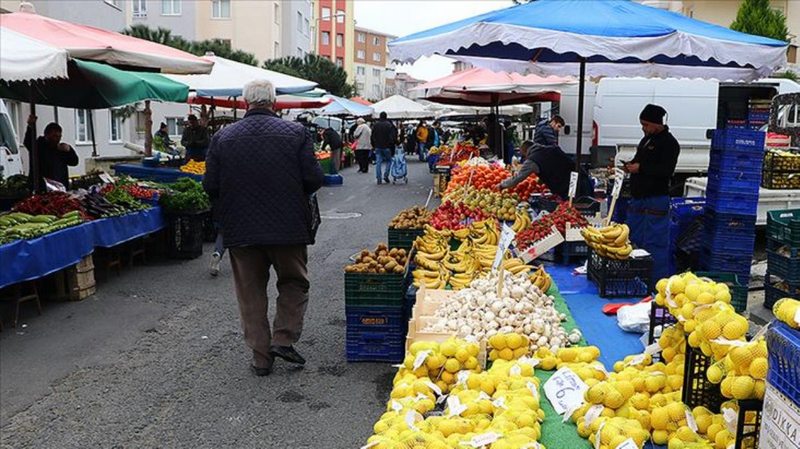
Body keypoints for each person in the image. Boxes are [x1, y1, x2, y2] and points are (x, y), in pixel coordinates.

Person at [203, 79, 324, 376]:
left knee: (250, 292)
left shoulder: (223, 137)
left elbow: (210, 185)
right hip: (288, 227)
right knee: (294, 282)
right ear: (274, 102)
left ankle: (260, 357)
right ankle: (283, 338)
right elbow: (313, 179)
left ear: (246, 103)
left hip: (241, 229)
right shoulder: (297, 133)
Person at [623, 104, 680, 282]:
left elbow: (666, 170)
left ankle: (655, 283)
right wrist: (630, 165)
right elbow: (639, 160)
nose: (644, 128)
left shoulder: (670, 143)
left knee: (656, 243)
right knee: (634, 239)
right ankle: (634, 277)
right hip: (639, 199)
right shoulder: (646, 140)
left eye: (646, 125)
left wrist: (641, 168)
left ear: (657, 124)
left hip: (656, 199)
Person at [23, 116, 78, 190]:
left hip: (60, 187)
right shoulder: (38, 146)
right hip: (41, 187)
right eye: (54, 136)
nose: (57, 139)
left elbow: (74, 162)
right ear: (47, 135)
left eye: (59, 136)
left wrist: (69, 151)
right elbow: (28, 142)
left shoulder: (61, 149)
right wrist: (30, 126)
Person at [371, 112, 397, 184]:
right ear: (386, 117)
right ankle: (386, 175)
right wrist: (392, 145)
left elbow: (372, 136)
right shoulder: (389, 125)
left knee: (378, 162)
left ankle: (378, 178)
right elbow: (392, 137)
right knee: (389, 161)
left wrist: (373, 145)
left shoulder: (375, 125)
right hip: (387, 146)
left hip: (378, 146)